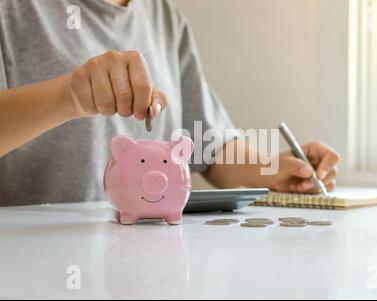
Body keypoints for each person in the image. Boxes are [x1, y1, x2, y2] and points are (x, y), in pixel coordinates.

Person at [0, 0, 339, 206]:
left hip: (141, 257)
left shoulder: (162, 15)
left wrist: (275, 169)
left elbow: (207, 144)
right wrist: (68, 97)